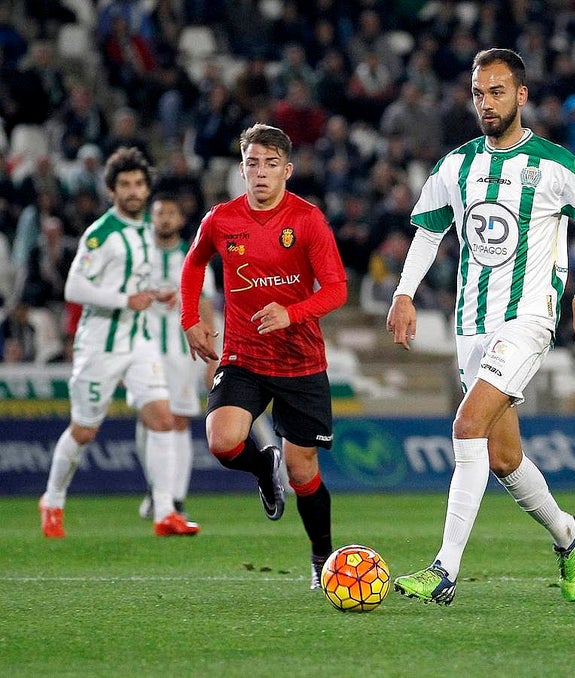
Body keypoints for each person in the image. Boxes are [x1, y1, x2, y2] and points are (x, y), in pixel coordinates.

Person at [386, 48, 575, 605]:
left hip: (528, 319)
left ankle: (444, 569)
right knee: (504, 458)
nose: (486, 103)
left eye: (496, 92)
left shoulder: (554, 164)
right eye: (478, 94)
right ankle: (567, 533)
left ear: (521, 95)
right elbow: (428, 233)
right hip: (471, 324)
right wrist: (403, 293)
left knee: (467, 426)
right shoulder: (456, 166)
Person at [180, 123, 348, 589]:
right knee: (222, 441)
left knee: (304, 470)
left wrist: (291, 313)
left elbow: (336, 289)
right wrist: (190, 319)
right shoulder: (220, 220)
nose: (260, 172)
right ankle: (261, 467)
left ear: (286, 171)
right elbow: (193, 264)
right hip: (244, 356)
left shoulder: (308, 220)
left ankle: (321, 558)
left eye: (270, 164)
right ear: (241, 169)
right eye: (252, 163)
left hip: (300, 361)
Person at [39, 146, 198, 538]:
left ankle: (165, 511)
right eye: (125, 184)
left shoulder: (145, 231)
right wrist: (124, 300)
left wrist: (155, 293)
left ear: (147, 189)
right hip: (101, 344)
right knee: (84, 431)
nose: (133, 191)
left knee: (162, 419)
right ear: (112, 190)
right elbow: (74, 288)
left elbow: (133, 282)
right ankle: (52, 500)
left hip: (140, 340)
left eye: (139, 184)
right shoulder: (101, 234)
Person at [136, 193, 218, 523]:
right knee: (149, 419)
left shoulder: (194, 256)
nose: (166, 219)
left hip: (182, 352)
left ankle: (176, 498)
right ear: (151, 218)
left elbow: (206, 307)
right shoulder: (138, 254)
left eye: (172, 213)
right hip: (141, 351)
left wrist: (212, 358)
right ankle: (156, 489)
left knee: (179, 421)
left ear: (181, 220)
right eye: (160, 213)